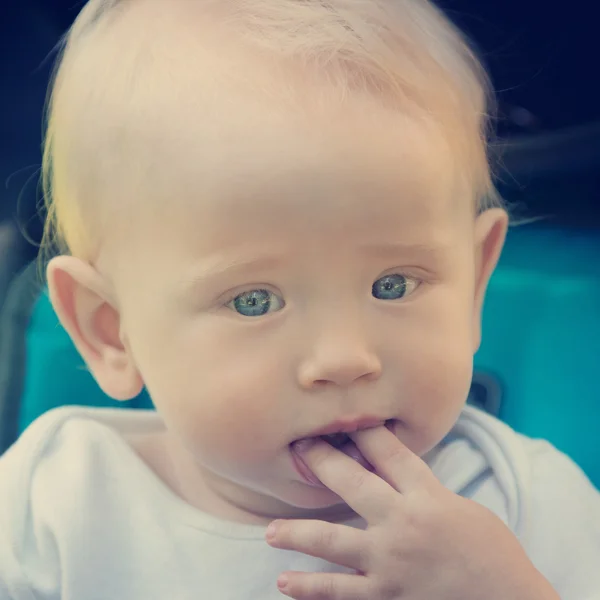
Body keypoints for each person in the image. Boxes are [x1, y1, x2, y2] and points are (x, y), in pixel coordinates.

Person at [0, 0, 598, 598]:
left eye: (394, 284)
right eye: (254, 301)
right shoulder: (53, 507)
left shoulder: (526, 505)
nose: (345, 358)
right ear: (110, 330)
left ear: (472, 286)